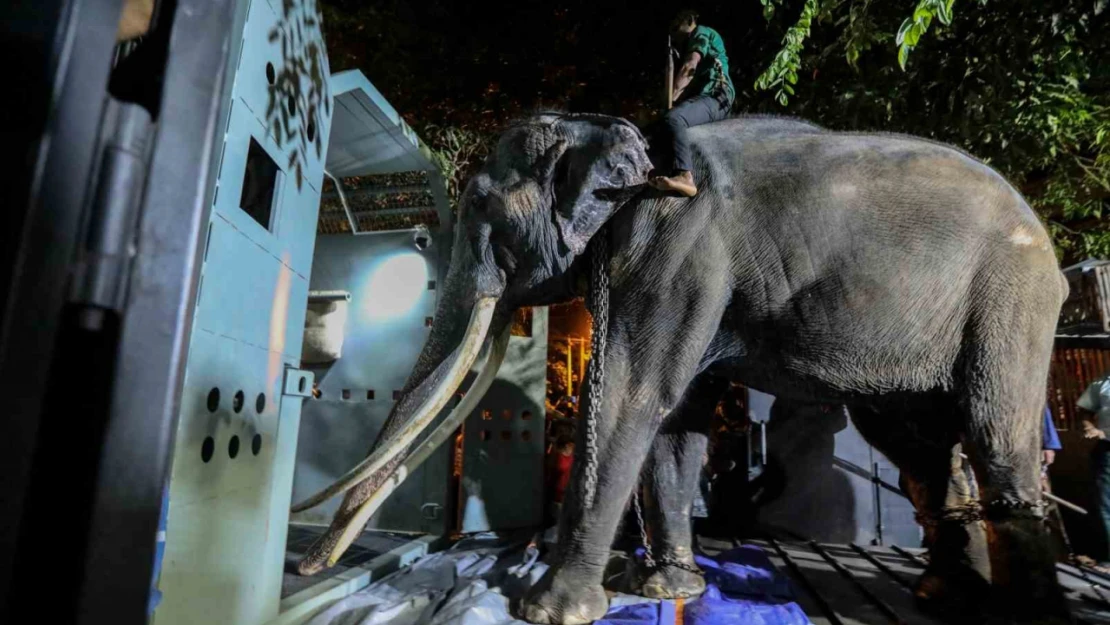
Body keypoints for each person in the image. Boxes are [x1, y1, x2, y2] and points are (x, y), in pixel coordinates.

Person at [648, 10, 736, 198]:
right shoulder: (689, 46)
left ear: (688, 21)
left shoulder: (702, 33)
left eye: (674, 28)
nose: (672, 34)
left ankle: (685, 175)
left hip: (717, 96)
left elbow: (690, 67)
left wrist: (670, 97)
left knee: (674, 118)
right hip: (707, 98)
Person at [1079, 372, 1110, 562]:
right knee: (1106, 507)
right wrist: (1089, 427)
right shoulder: (1102, 382)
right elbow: (1085, 411)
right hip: (1108, 450)